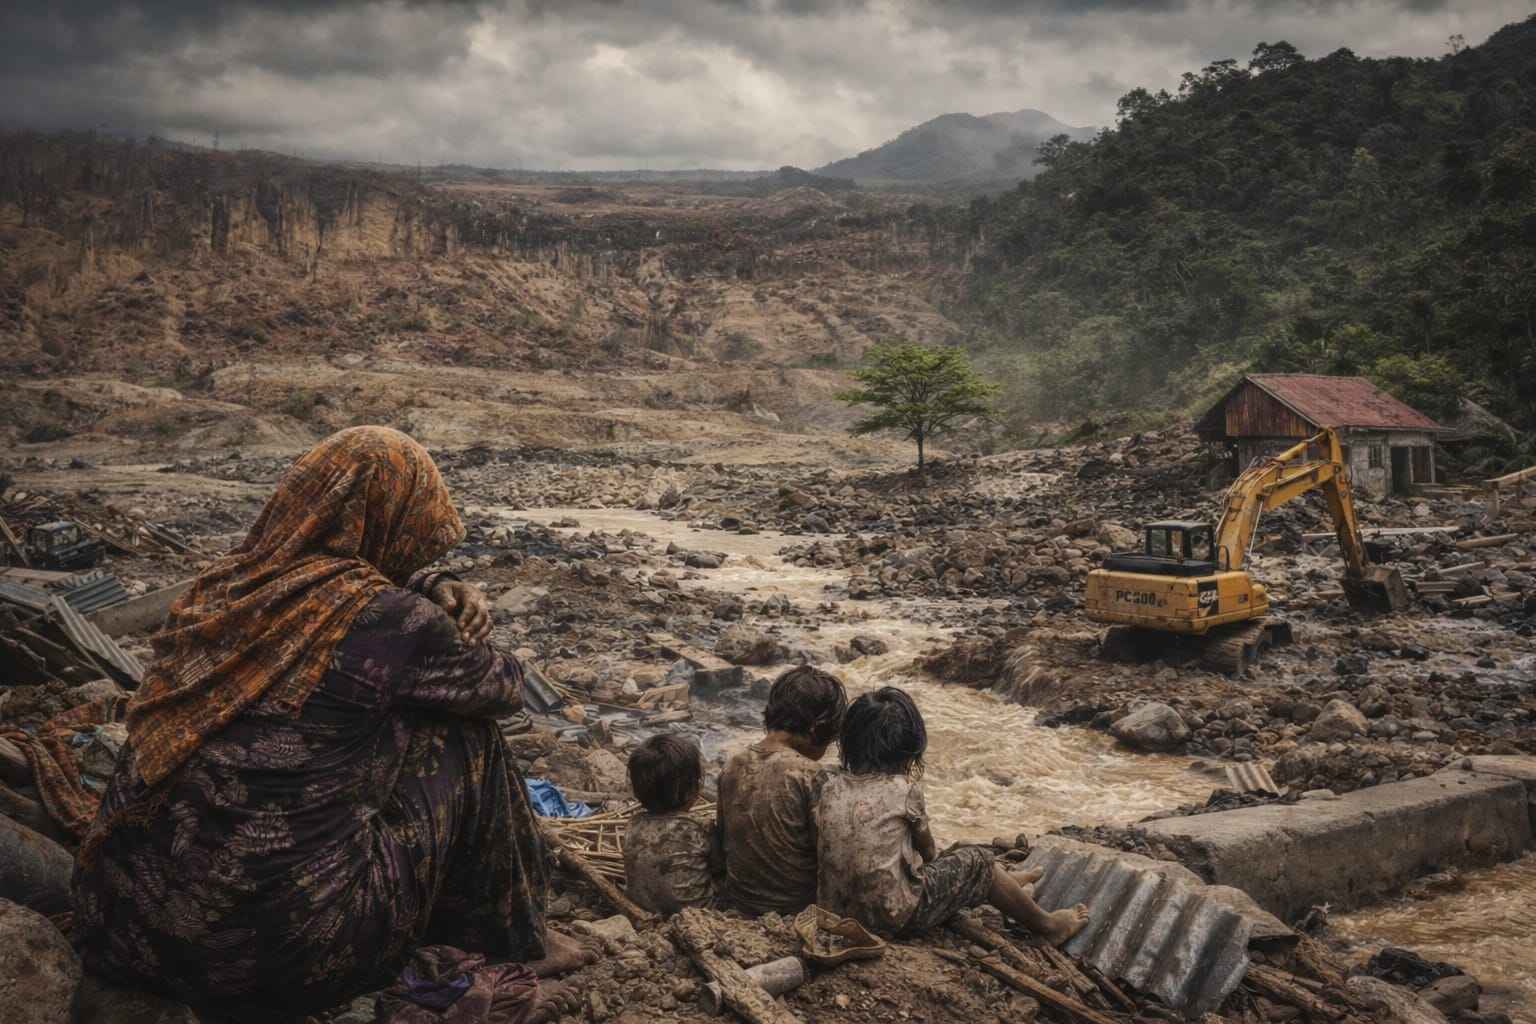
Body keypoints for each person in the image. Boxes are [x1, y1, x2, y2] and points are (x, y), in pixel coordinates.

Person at [72, 426, 588, 1021]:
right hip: (281, 954)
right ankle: (510, 936)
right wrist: (441, 609)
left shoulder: (234, 584)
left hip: (125, 926)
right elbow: (501, 687)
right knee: (465, 734)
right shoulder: (389, 619)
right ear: (386, 515)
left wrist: (429, 587)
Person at [816, 686, 1089, 943]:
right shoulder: (904, 790)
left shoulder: (830, 786)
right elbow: (930, 852)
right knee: (978, 860)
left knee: (946, 861)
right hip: (891, 918)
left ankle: (1002, 884)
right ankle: (1049, 925)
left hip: (835, 915)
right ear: (910, 750)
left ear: (849, 742)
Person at [716, 666, 847, 916]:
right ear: (816, 727)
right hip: (795, 908)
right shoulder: (809, 774)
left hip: (741, 901)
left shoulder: (732, 765)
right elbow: (828, 854)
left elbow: (724, 842)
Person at [622, 734, 719, 915]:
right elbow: (720, 868)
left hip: (645, 909)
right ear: (692, 787)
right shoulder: (699, 827)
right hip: (696, 916)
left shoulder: (633, 824)